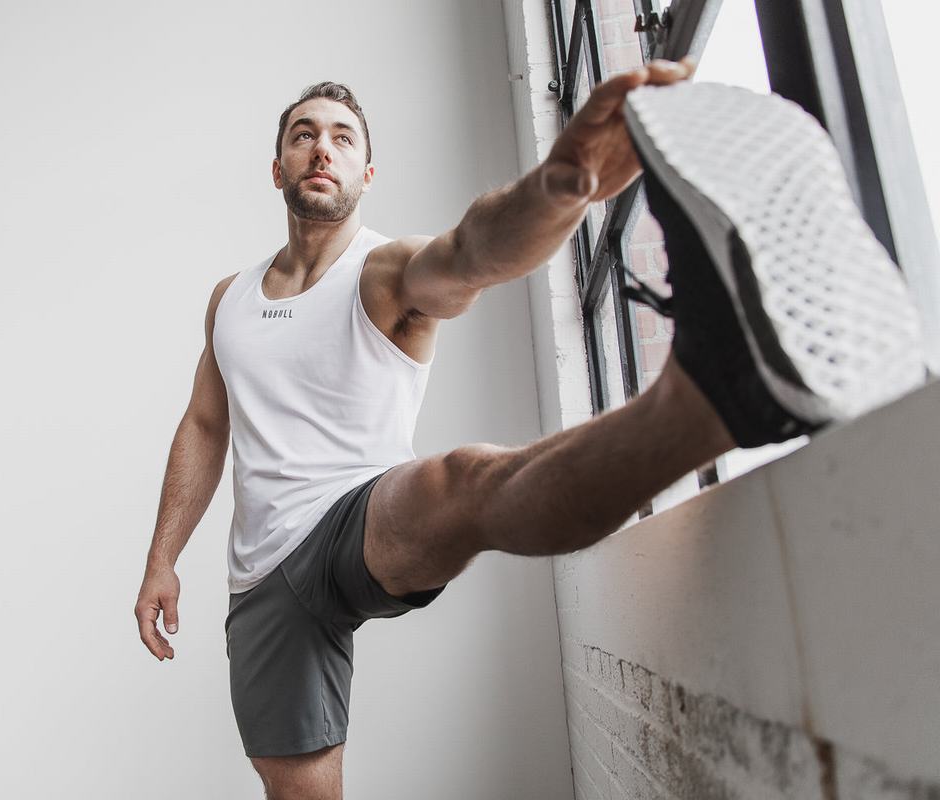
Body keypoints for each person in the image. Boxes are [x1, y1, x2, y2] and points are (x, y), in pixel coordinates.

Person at [134, 56, 924, 800]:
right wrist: (163, 559)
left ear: (366, 174)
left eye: (342, 137)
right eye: (303, 134)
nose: (321, 148)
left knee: (465, 480)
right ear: (277, 168)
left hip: (358, 514)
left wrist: (563, 183)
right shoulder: (228, 299)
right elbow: (206, 424)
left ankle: (714, 401)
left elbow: (470, 254)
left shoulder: (379, 272)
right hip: (264, 577)